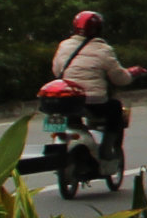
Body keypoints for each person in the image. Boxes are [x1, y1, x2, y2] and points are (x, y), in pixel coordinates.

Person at [49, 9, 141, 141]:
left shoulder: (64, 45)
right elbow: (120, 79)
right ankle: (108, 146)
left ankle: (56, 139)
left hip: (67, 100)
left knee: (63, 116)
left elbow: (57, 71)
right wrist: (132, 73)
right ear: (99, 29)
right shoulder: (103, 49)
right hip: (94, 102)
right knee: (116, 107)